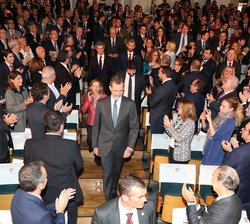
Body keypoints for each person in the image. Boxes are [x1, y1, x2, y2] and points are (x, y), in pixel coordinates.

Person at [24, 111, 83, 224]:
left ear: (45, 125)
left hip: (42, 192)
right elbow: (79, 166)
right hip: (67, 192)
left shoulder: (30, 144)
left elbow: (28, 166)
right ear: (62, 126)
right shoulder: (71, 145)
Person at [92, 76, 139, 201]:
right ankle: (109, 200)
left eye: (121, 91)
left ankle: (113, 191)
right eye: (115, 91)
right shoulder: (102, 104)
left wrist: (130, 147)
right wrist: (94, 145)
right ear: (109, 88)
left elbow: (134, 127)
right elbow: (96, 125)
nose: (118, 93)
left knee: (116, 172)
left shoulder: (130, 104)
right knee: (107, 174)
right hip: (104, 144)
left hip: (121, 146)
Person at [11, 161, 76, 224]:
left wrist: (57, 204)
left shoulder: (18, 193)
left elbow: (39, 208)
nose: (47, 179)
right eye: (46, 177)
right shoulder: (43, 217)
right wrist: (60, 212)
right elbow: (42, 214)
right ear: (41, 185)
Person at [91, 173, 157, 224]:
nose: (145, 199)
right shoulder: (102, 214)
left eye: (144, 195)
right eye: (140, 197)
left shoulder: (149, 206)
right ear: (125, 198)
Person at [201, 97, 244, 165]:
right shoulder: (220, 117)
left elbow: (214, 136)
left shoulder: (230, 121)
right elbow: (206, 128)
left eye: (223, 106)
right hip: (210, 147)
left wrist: (209, 120)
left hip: (217, 150)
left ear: (231, 109)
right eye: (221, 105)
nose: (220, 107)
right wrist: (203, 119)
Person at [221, 121, 250, 210]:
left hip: (238, 195)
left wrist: (229, 151)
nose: (242, 129)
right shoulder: (241, 151)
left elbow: (223, 169)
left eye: (244, 129)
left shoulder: (239, 153)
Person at [82, 79, 107, 166]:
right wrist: (88, 100)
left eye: (97, 86)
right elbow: (84, 110)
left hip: (100, 123)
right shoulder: (87, 96)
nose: (96, 88)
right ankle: (91, 145)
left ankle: (98, 159)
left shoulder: (104, 96)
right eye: (94, 86)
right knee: (90, 139)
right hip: (91, 122)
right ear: (91, 87)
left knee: (98, 141)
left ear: (100, 87)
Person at [146, 66, 177, 134]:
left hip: (158, 119)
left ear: (164, 75)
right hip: (167, 117)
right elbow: (160, 95)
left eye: (159, 73)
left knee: (156, 142)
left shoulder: (163, 88)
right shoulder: (173, 85)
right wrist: (152, 85)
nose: (158, 75)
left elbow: (152, 104)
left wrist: (149, 94)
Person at [163, 99, 196, 163]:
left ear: (185, 110)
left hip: (181, 154)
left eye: (179, 108)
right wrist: (167, 125)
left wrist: (169, 126)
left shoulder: (190, 123)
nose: (177, 109)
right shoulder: (179, 118)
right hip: (173, 150)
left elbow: (179, 138)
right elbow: (173, 135)